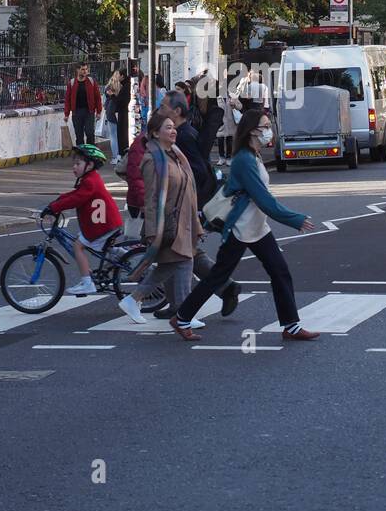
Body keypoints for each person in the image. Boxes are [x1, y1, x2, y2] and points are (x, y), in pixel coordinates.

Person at [169, 109, 318, 343]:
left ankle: (291, 325)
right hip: (240, 228)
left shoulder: (254, 155)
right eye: (265, 126)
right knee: (218, 276)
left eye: (269, 125)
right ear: (251, 131)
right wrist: (294, 219)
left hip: (257, 227)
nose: (269, 131)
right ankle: (182, 317)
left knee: (280, 272)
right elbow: (263, 199)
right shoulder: (244, 160)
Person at [120, 111, 202, 327]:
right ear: (155, 133)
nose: (173, 130)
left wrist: (195, 221)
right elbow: (151, 198)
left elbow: (186, 187)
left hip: (180, 220)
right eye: (168, 127)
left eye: (174, 127)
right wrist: (153, 232)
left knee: (171, 265)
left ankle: (134, 299)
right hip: (166, 224)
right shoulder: (151, 160)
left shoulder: (173, 155)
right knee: (183, 262)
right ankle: (184, 314)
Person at [41, 144, 129, 309]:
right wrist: (57, 201)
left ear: (90, 165)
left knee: (78, 246)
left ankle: (87, 282)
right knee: (109, 251)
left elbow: (77, 199)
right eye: (74, 164)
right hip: (107, 224)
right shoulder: (90, 179)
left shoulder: (90, 182)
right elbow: (74, 195)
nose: (74, 167)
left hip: (102, 226)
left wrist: (54, 208)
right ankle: (130, 259)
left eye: (78, 164)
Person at [63, 63, 102, 147]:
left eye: (86, 69)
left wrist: (99, 112)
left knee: (90, 133)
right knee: (79, 135)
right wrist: (66, 114)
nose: (85, 71)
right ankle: (81, 156)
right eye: (83, 69)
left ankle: (91, 154)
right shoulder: (72, 83)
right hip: (76, 112)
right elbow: (67, 99)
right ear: (78, 70)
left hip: (89, 112)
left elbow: (98, 97)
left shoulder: (91, 82)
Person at [103, 69, 123, 162]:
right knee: (120, 135)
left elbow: (105, 101)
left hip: (111, 112)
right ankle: (120, 155)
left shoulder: (108, 87)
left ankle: (115, 156)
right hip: (120, 112)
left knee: (113, 136)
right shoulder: (123, 87)